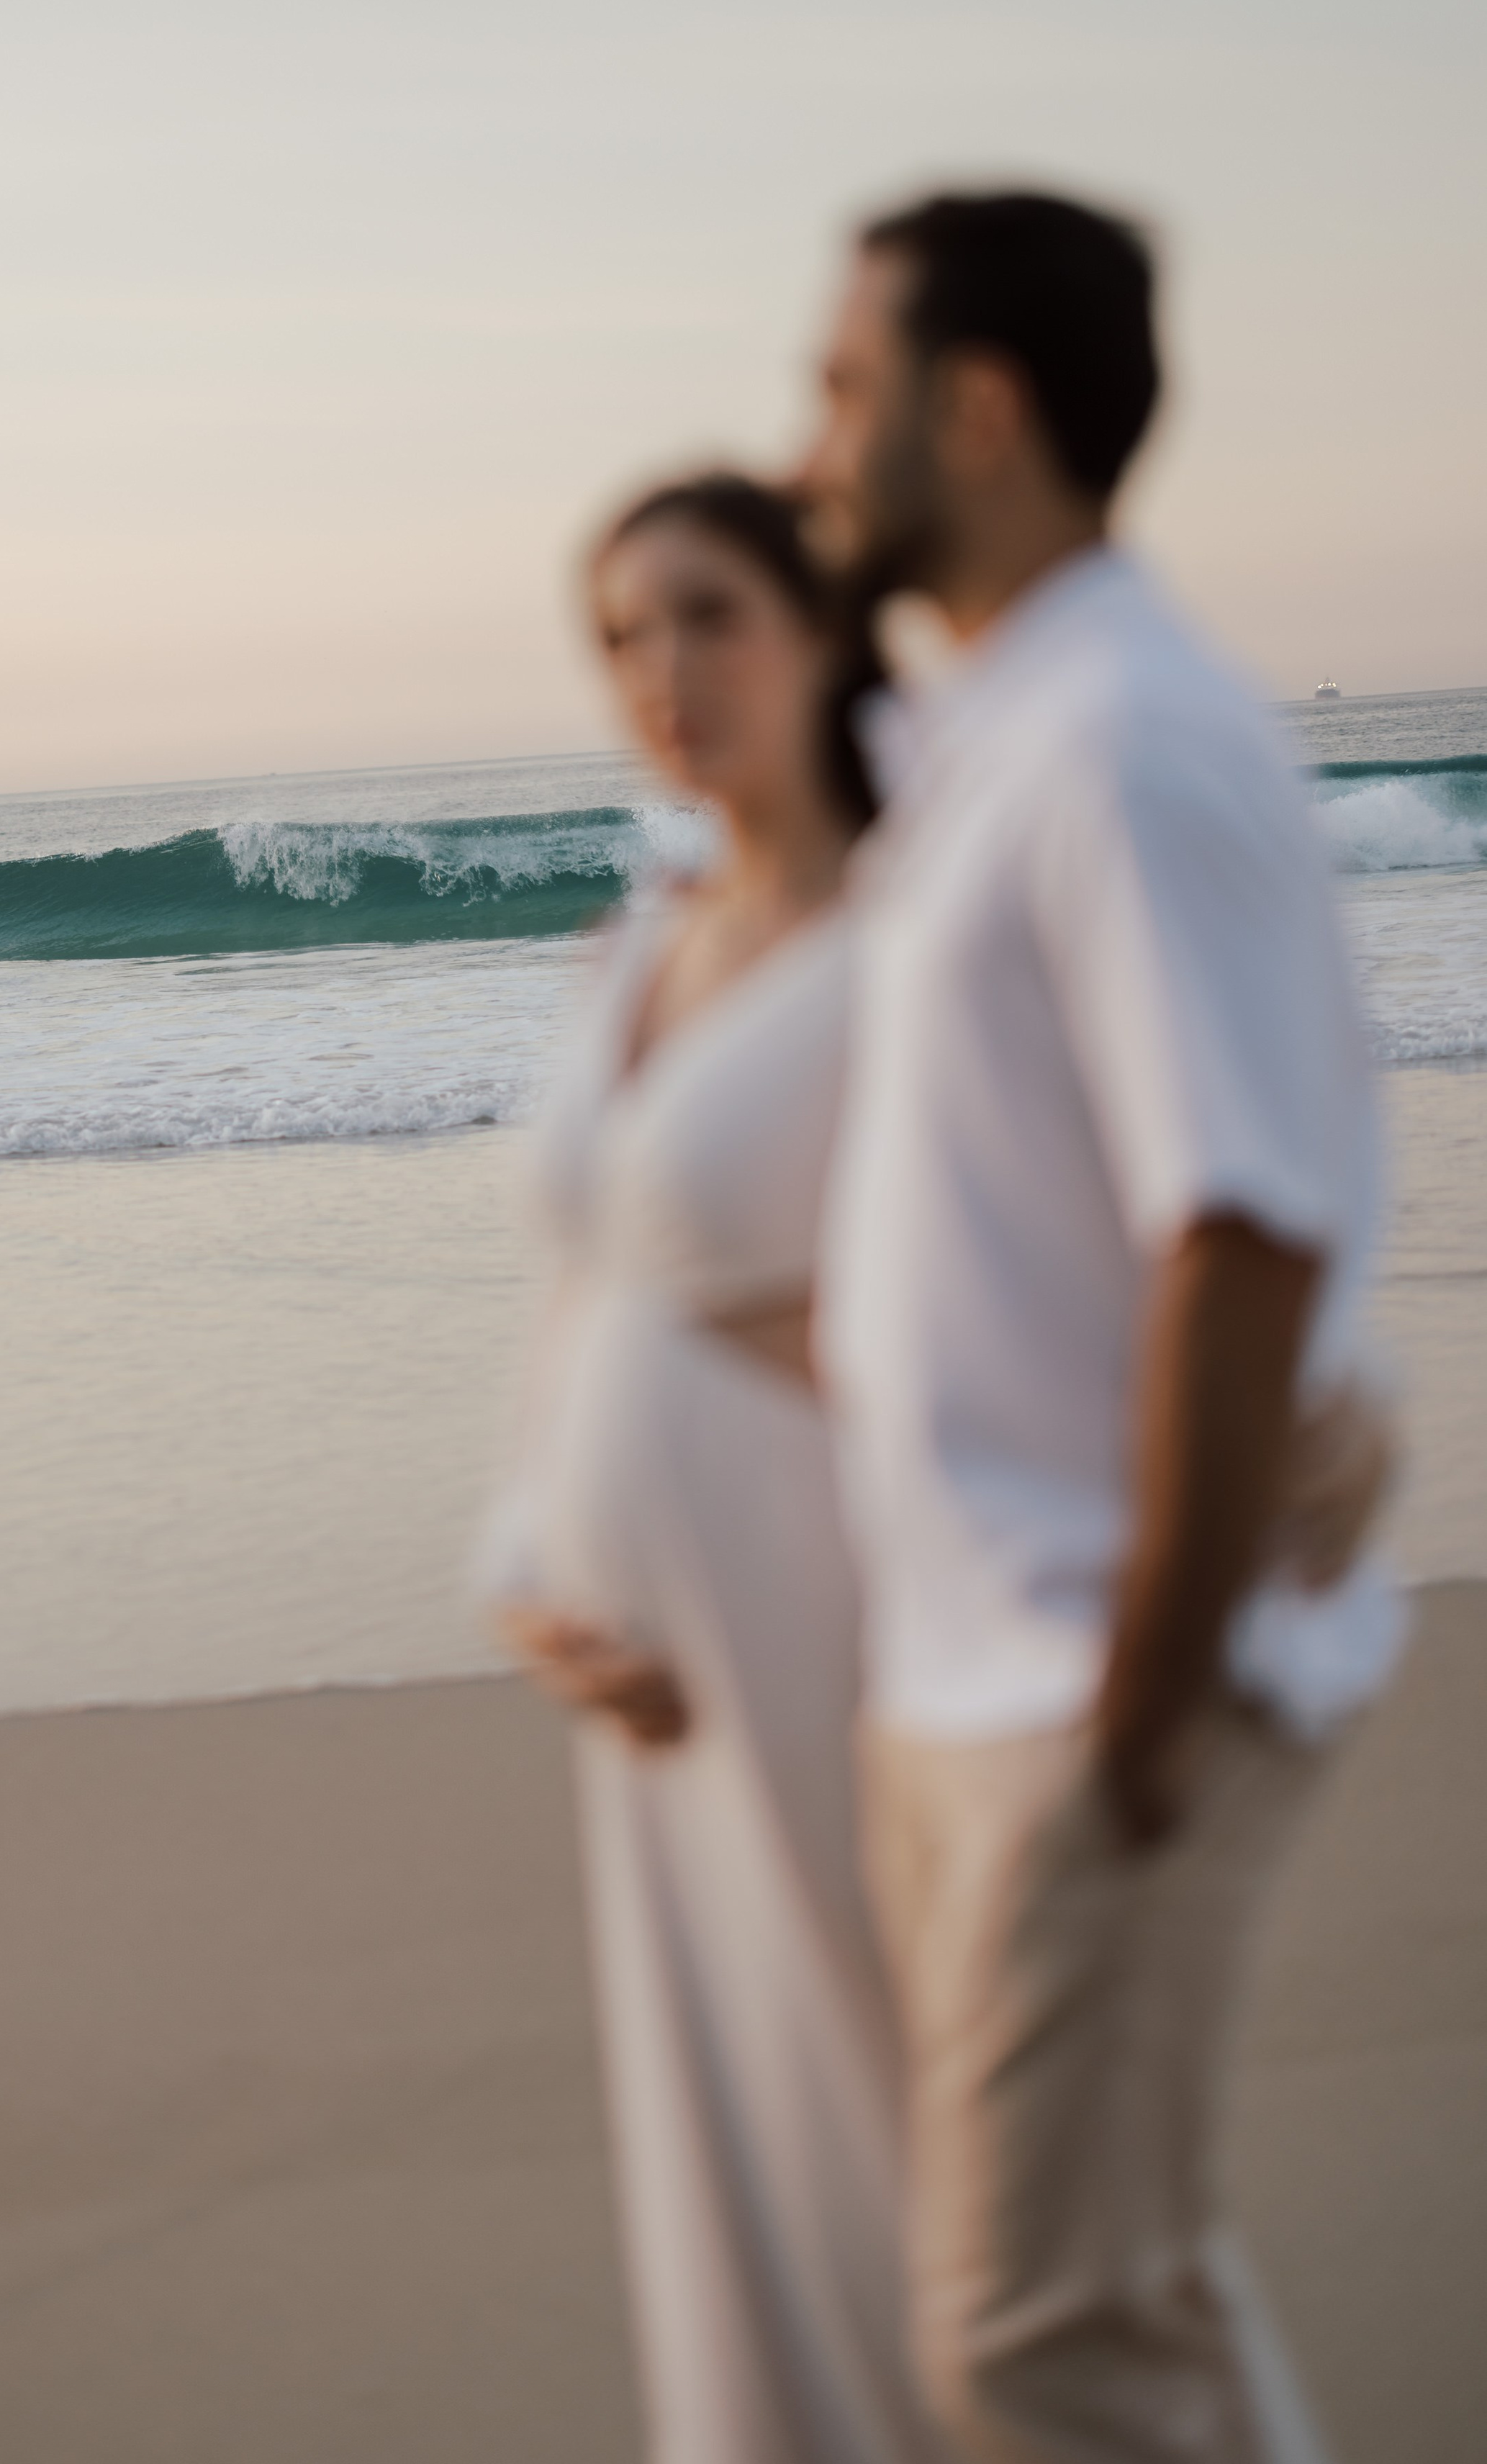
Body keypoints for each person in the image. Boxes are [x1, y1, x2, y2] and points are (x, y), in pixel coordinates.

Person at [800, 190, 1407, 2464]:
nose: (813, 445)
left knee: (1047, 2343)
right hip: (977, 1669)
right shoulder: (1003, 734)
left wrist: (1143, 1690)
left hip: (1088, 1677)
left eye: (843, 386)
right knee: (1111, 2316)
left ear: (984, 407)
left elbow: (1236, 1225)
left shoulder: (1131, 744)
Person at [476, 474, 952, 2464]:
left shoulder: (927, 931)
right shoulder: (636, 940)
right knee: (726, 2148)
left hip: (839, 1616)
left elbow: (1020, 1301)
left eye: (708, 615)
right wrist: (529, 1571)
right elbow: (583, 1293)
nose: (663, 671)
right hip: (636, 1665)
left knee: (914, 2166)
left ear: (823, 628)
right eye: (621, 634)